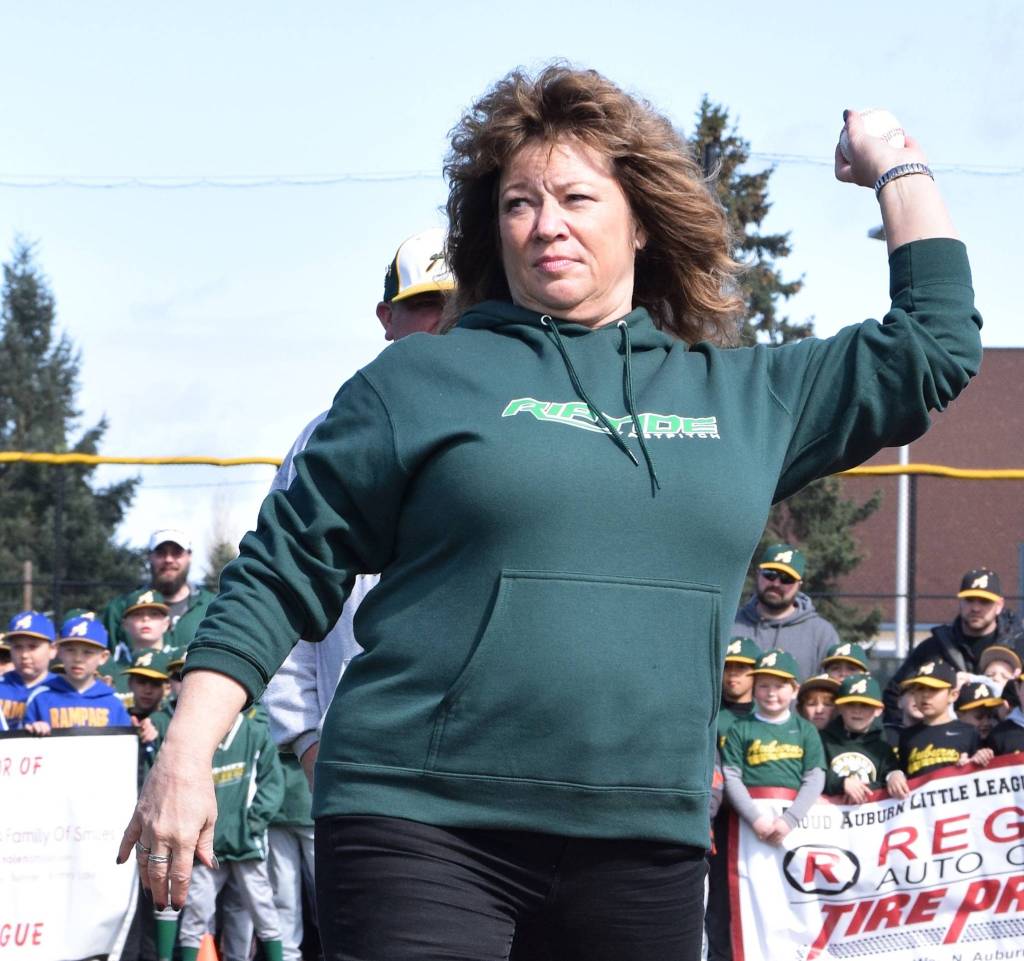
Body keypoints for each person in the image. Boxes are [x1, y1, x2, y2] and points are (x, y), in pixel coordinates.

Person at [122, 66, 983, 961]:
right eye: (518, 204)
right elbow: (283, 567)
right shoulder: (420, 379)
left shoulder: (741, 397)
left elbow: (935, 345)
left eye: (575, 196)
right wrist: (185, 751)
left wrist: (897, 164)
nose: (545, 224)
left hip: (645, 838)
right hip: (420, 822)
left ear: (641, 218)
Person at [263, 227, 454, 784]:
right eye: (423, 303)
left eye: (459, 303)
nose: (443, 319)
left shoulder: (528, 431)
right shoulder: (328, 439)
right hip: (360, 764)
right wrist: (306, 738)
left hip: (486, 765)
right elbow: (283, 591)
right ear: (385, 318)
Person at [175, 708, 285, 961]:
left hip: (246, 844)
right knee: (195, 912)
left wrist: (253, 825)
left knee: (262, 911)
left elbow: (273, 785)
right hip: (207, 846)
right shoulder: (199, 737)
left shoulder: (255, 733)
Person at [883, 568, 1024, 736]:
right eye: (969, 600)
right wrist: (912, 737)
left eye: (984, 601)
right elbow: (895, 694)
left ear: (999, 605)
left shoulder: (1018, 646)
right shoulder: (934, 648)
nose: (976, 608)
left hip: (1006, 746)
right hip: (945, 747)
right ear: (960, 601)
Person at [721, 650, 826, 846]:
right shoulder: (740, 728)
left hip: (795, 822)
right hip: (749, 821)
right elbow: (731, 777)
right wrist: (755, 819)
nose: (771, 693)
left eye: (779, 686)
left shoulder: (806, 730)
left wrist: (791, 819)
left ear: (795, 690)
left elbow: (815, 778)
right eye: (763, 685)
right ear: (754, 688)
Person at [732, 543, 841, 682]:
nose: (776, 583)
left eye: (786, 579)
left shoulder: (821, 633)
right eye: (769, 575)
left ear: (799, 584)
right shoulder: (731, 624)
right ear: (757, 574)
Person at [887, 660, 993, 798]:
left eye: (933, 689)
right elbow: (903, 775)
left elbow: (985, 780)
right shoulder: (907, 736)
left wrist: (978, 760)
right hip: (921, 814)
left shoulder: (969, 732)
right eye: (919, 689)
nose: (925, 695)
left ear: (953, 695)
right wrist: (894, 775)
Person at [103, 529, 216, 656]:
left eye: (176, 553)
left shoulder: (214, 607)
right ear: (149, 557)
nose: (168, 559)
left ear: (189, 556)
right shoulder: (119, 609)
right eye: (161, 553)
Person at [23, 616, 132, 733]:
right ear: (59, 651)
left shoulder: (112, 701)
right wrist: (34, 729)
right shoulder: (41, 696)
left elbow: (124, 745)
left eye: (87, 652)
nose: (78, 659)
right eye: (70, 650)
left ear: (103, 657)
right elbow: (21, 744)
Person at [820, 674, 899, 802]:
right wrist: (842, 783)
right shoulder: (822, 740)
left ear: (878, 710)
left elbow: (887, 781)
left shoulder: (883, 746)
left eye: (865, 705)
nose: (857, 711)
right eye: (850, 704)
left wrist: (894, 775)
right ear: (839, 707)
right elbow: (812, 774)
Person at [0, 611, 58, 728]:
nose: (24, 655)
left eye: (33, 646)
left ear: (52, 650)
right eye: (17, 647)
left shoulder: (64, 690)